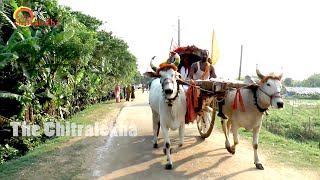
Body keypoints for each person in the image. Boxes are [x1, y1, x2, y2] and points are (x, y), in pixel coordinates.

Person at [188, 50, 227, 119]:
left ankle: (220, 112)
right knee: (197, 91)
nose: (204, 56)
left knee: (221, 90)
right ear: (200, 55)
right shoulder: (195, 65)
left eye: (206, 54)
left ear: (208, 56)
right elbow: (190, 76)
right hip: (196, 86)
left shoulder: (210, 67)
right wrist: (191, 81)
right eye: (203, 54)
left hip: (207, 86)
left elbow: (214, 78)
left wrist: (219, 81)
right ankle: (198, 109)